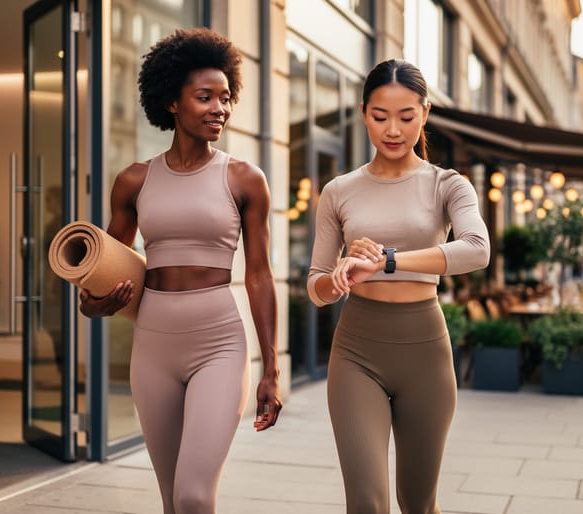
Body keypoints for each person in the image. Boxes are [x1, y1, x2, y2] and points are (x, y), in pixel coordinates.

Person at [78, 28, 282, 513]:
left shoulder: (245, 179)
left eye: (226, 97)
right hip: (153, 345)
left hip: (218, 342)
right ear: (172, 102)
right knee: (172, 500)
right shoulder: (133, 180)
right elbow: (106, 268)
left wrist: (270, 365)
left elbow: (259, 275)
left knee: (193, 496)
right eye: (205, 97)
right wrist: (92, 303)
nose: (220, 109)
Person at [307, 59, 490, 514]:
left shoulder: (447, 185)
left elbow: (477, 249)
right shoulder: (338, 191)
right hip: (356, 351)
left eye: (406, 117)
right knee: (367, 503)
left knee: (418, 503)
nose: (393, 129)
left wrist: (387, 261)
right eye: (379, 116)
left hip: (424, 351)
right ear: (363, 112)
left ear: (425, 114)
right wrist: (339, 276)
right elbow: (315, 286)